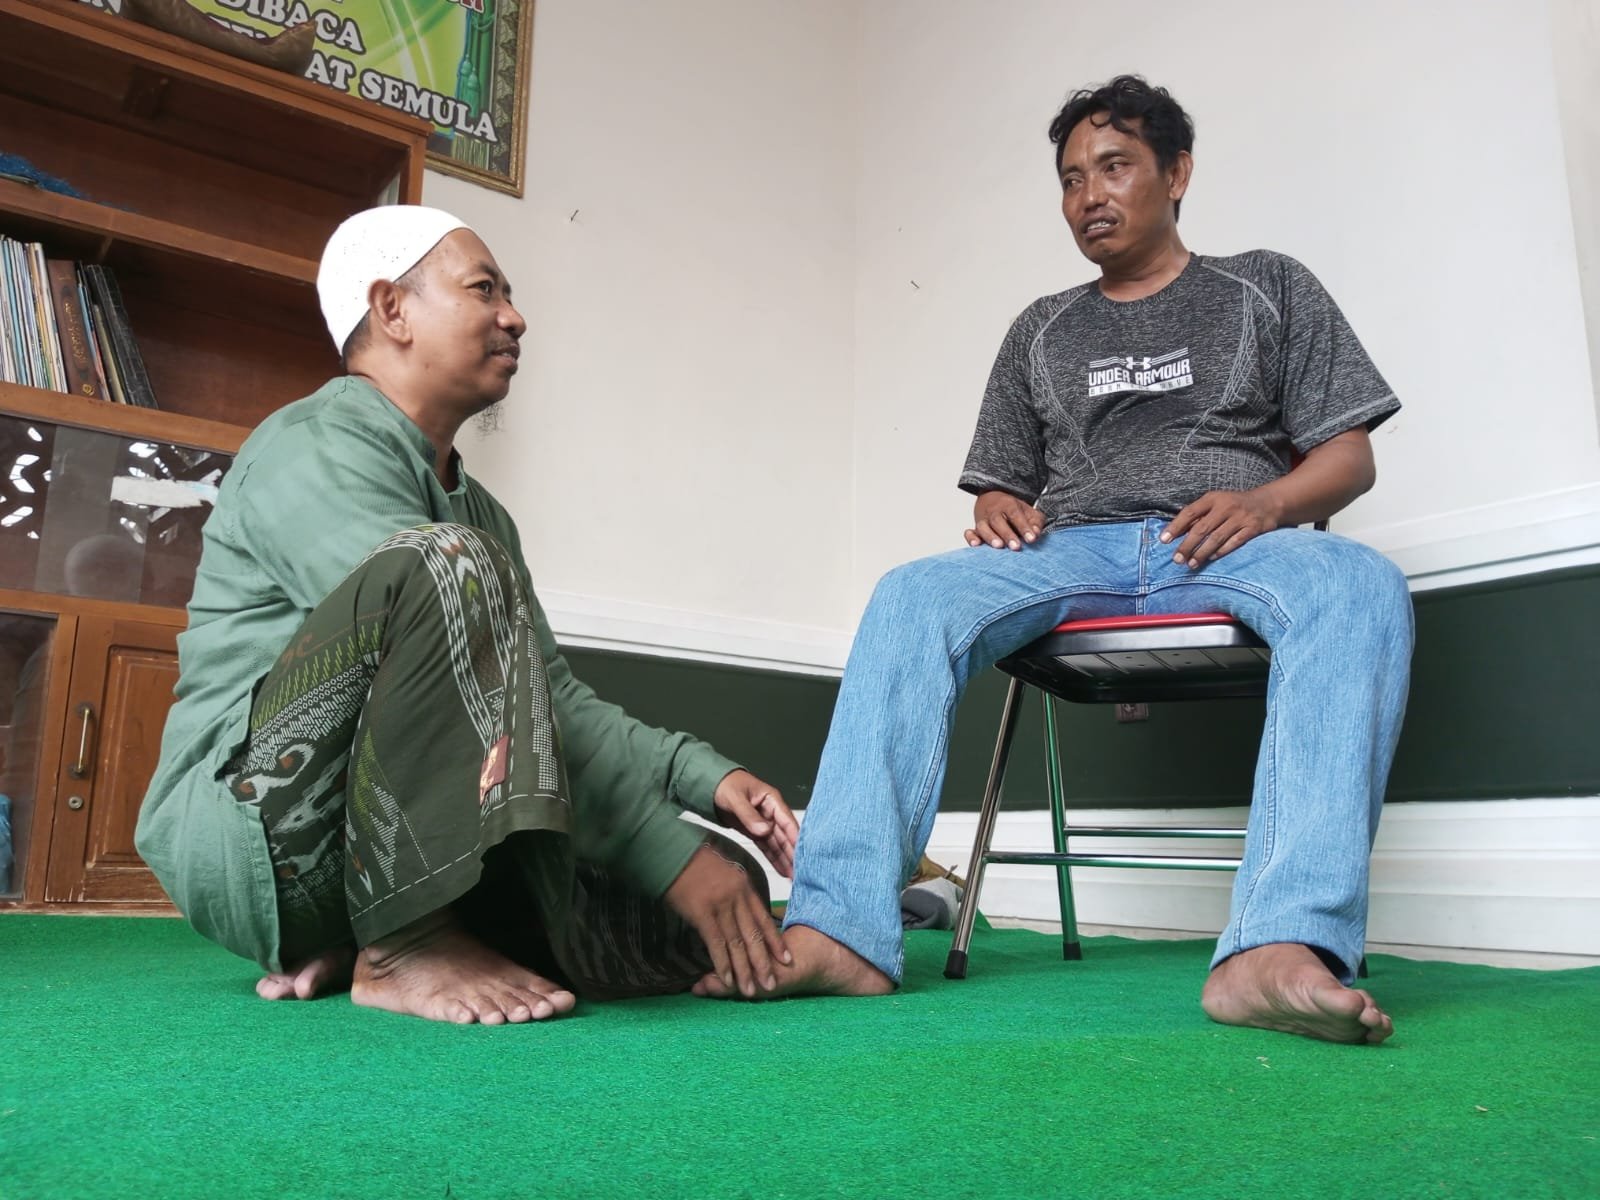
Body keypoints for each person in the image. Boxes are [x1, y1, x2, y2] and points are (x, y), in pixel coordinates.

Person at [697, 76, 1413, 1046]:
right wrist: (995, 503)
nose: (1088, 196)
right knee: (910, 594)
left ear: (1177, 173)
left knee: (1361, 583)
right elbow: (1001, 484)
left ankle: (1276, 948)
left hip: (1229, 539)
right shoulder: (1041, 327)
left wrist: (1266, 502)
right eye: (1071, 178)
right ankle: (841, 930)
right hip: (1071, 549)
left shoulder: (1266, 286)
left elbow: (1349, 456)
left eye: (1113, 167)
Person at [137, 205, 797, 1024]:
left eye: (509, 296)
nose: (514, 317)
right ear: (392, 309)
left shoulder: (482, 514)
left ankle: (362, 935)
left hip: (389, 845)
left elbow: (550, 697)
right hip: (256, 841)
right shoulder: (311, 447)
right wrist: (666, 852)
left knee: (723, 883)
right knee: (449, 563)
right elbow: (449, 646)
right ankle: (402, 942)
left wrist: (699, 776)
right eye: (485, 290)